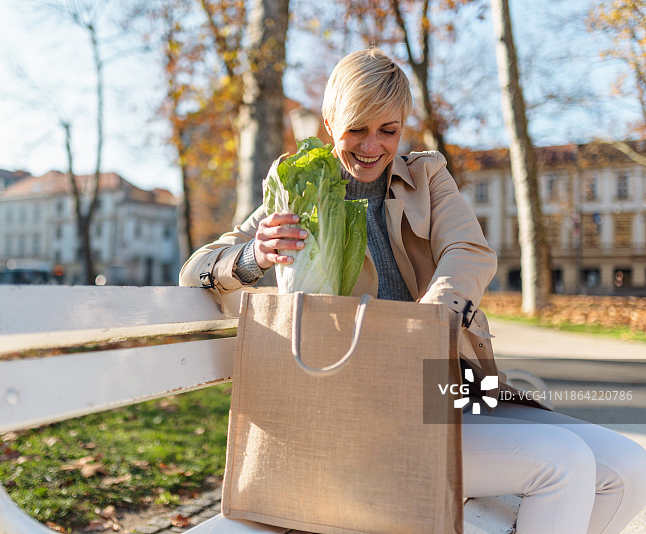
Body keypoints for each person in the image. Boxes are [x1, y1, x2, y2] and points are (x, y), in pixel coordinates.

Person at [179, 47, 646, 534]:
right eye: (357, 128)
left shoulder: (426, 174)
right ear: (328, 120)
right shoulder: (299, 184)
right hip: (361, 406)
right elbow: (196, 271)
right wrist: (254, 255)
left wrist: (427, 323)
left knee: (631, 469)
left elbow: (468, 249)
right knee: (562, 461)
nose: (373, 146)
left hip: (447, 387)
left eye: (389, 129)